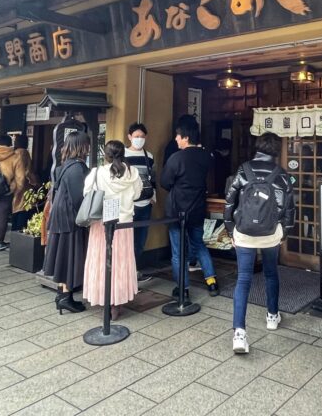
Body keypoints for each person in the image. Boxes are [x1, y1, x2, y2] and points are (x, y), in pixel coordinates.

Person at [223, 132, 295, 353]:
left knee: (243, 279)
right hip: (271, 232)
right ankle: (272, 316)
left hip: (244, 232)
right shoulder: (282, 175)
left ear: (258, 147)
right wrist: (284, 233)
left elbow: (230, 200)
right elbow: (288, 208)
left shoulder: (244, 169)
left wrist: (230, 228)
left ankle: (239, 333)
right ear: (276, 150)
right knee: (271, 273)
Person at [160, 117, 219, 299]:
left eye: (178, 136)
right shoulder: (205, 156)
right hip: (197, 208)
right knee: (198, 244)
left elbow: (165, 182)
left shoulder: (176, 158)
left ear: (185, 137)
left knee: (178, 251)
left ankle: (183, 289)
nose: (176, 139)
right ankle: (212, 282)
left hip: (177, 210)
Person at [83, 140, 142, 319]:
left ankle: (103, 298)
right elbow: (138, 194)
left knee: (101, 260)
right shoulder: (132, 172)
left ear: (105, 155)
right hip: (124, 223)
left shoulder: (97, 173)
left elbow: (87, 193)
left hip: (102, 223)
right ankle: (117, 302)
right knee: (121, 261)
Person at [43, 131, 90, 314]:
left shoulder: (66, 165)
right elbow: (79, 198)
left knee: (63, 256)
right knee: (70, 256)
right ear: (81, 146)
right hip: (70, 219)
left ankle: (62, 294)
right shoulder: (78, 168)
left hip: (61, 217)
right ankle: (66, 297)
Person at [124, 123, 155, 283]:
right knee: (126, 239)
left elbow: (152, 177)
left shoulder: (148, 156)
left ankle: (134, 270)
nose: (139, 140)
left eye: (142, 137)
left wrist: (153, 196)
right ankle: (125, 272)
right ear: (129, 137)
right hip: (129, 205)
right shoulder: (122, 154)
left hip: (146, 203)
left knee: (140, 240)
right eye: (136, 137)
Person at [11, 134, 38, 231]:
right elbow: (26, 172)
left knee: (15, 211)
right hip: (23, 187)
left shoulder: (13, 153)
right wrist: (34, 182)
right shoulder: (24, 153)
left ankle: (14, 235)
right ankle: (19, 234)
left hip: (13, 185)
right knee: (23, 210)